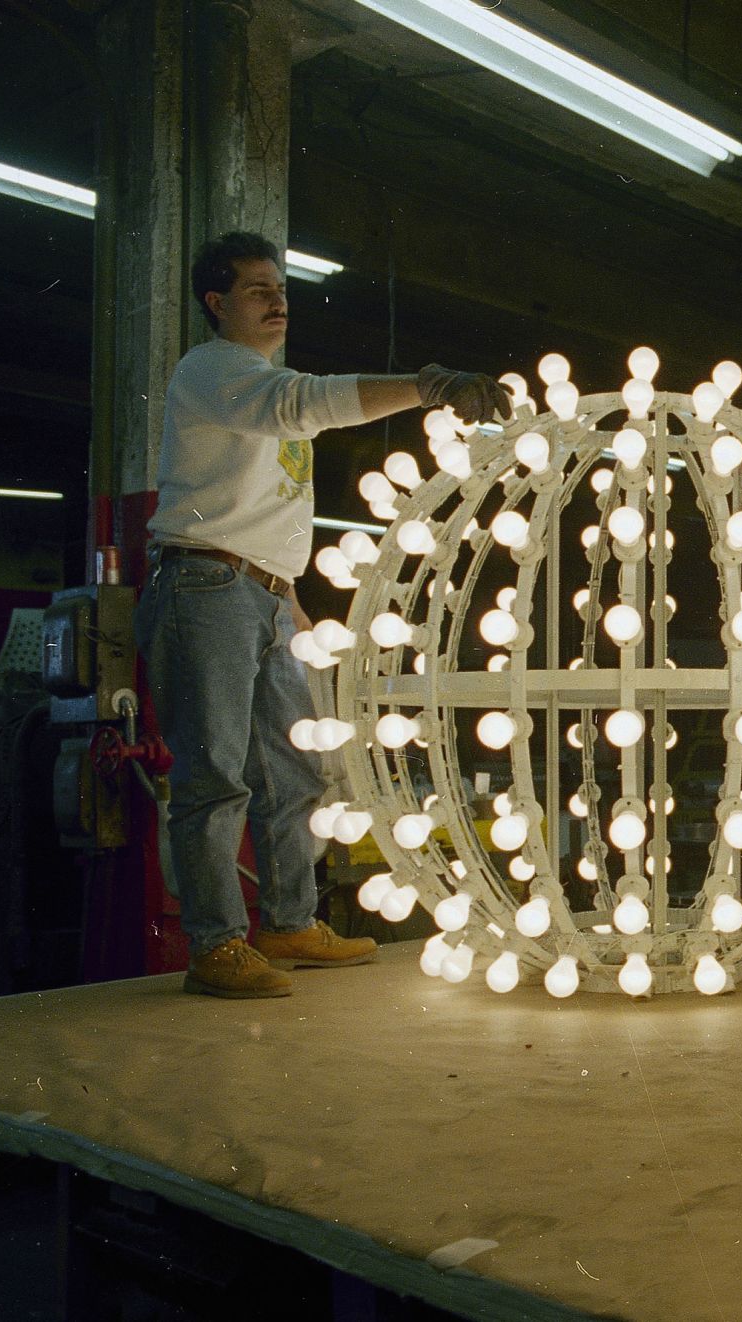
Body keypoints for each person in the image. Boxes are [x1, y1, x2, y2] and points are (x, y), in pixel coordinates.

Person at [139, 230, 511, 999]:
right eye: (256, 291)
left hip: (264, 592)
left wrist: (292, 606)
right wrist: (426, 384)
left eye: (281, 290)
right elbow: (301, 404)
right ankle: (216, 945)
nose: (277, 302)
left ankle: (288, 920)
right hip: (205, 588)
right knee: (215, 774)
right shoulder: (213, 371)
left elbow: (267, 517)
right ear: (217, 304)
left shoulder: (256, 382)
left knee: (294, 764)